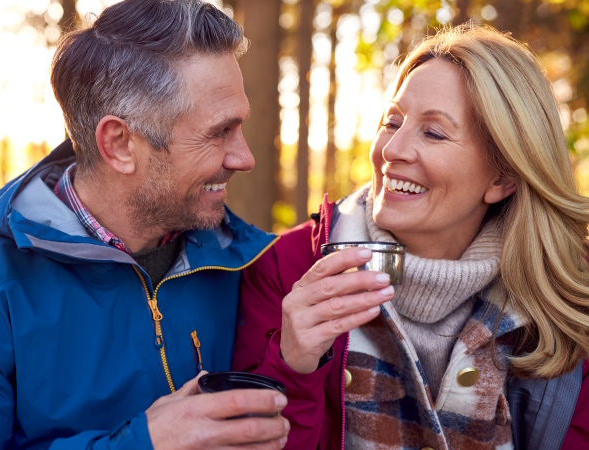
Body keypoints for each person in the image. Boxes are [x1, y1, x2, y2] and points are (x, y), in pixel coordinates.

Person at [0, 1, 292, 448]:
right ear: (120, 144)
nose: (245, 158)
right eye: (219, 132)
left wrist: (294, 359)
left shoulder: (241, 265)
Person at [232, 24, 589, 449]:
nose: (391, 150)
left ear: (503, 177)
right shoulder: (286, 268)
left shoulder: (567, 295)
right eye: (392, 121)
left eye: (434, 132)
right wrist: (292, 366)